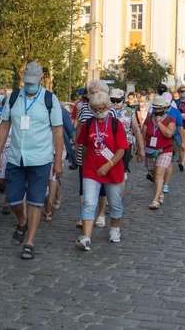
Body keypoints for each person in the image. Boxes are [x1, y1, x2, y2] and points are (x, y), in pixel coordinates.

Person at [0, 62, 64, 260]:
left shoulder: (50, 99)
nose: (30, 85)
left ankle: (30, 242)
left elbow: (58, 131)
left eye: (33, 82)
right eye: (27, 82)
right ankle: (22, 221)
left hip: (40, 158)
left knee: (35, 201)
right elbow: (4, 126)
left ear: (40, 80)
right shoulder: (14, 97)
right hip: (16, 157)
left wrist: (58, 161)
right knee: (14, 199)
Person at [75, 92, 129, 251]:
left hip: (113, 169)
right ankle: (86, 237)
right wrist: (85, 165)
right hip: (92, 170)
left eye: (101, 108)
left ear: (108, 107)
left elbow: (121, 150)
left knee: (114, 203)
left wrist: (109, 164)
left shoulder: (115, 124)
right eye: (95, 109)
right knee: (89, 202)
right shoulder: (88, 124)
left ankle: (115, 228)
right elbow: (84, 145)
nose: (99, 112)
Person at [141, 96, 176, 209]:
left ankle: (155, 200)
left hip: (165, 150)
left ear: (164, 108)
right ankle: (159, 193)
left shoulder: (170, 119)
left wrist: (160, 124)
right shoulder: (148, 119)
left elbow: (169, 134)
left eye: (159, 109)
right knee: (155, 173)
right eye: (155, 108)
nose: (156, 111)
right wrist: (140, 149)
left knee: (160, 173)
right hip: (150, 150)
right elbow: (143, 134)